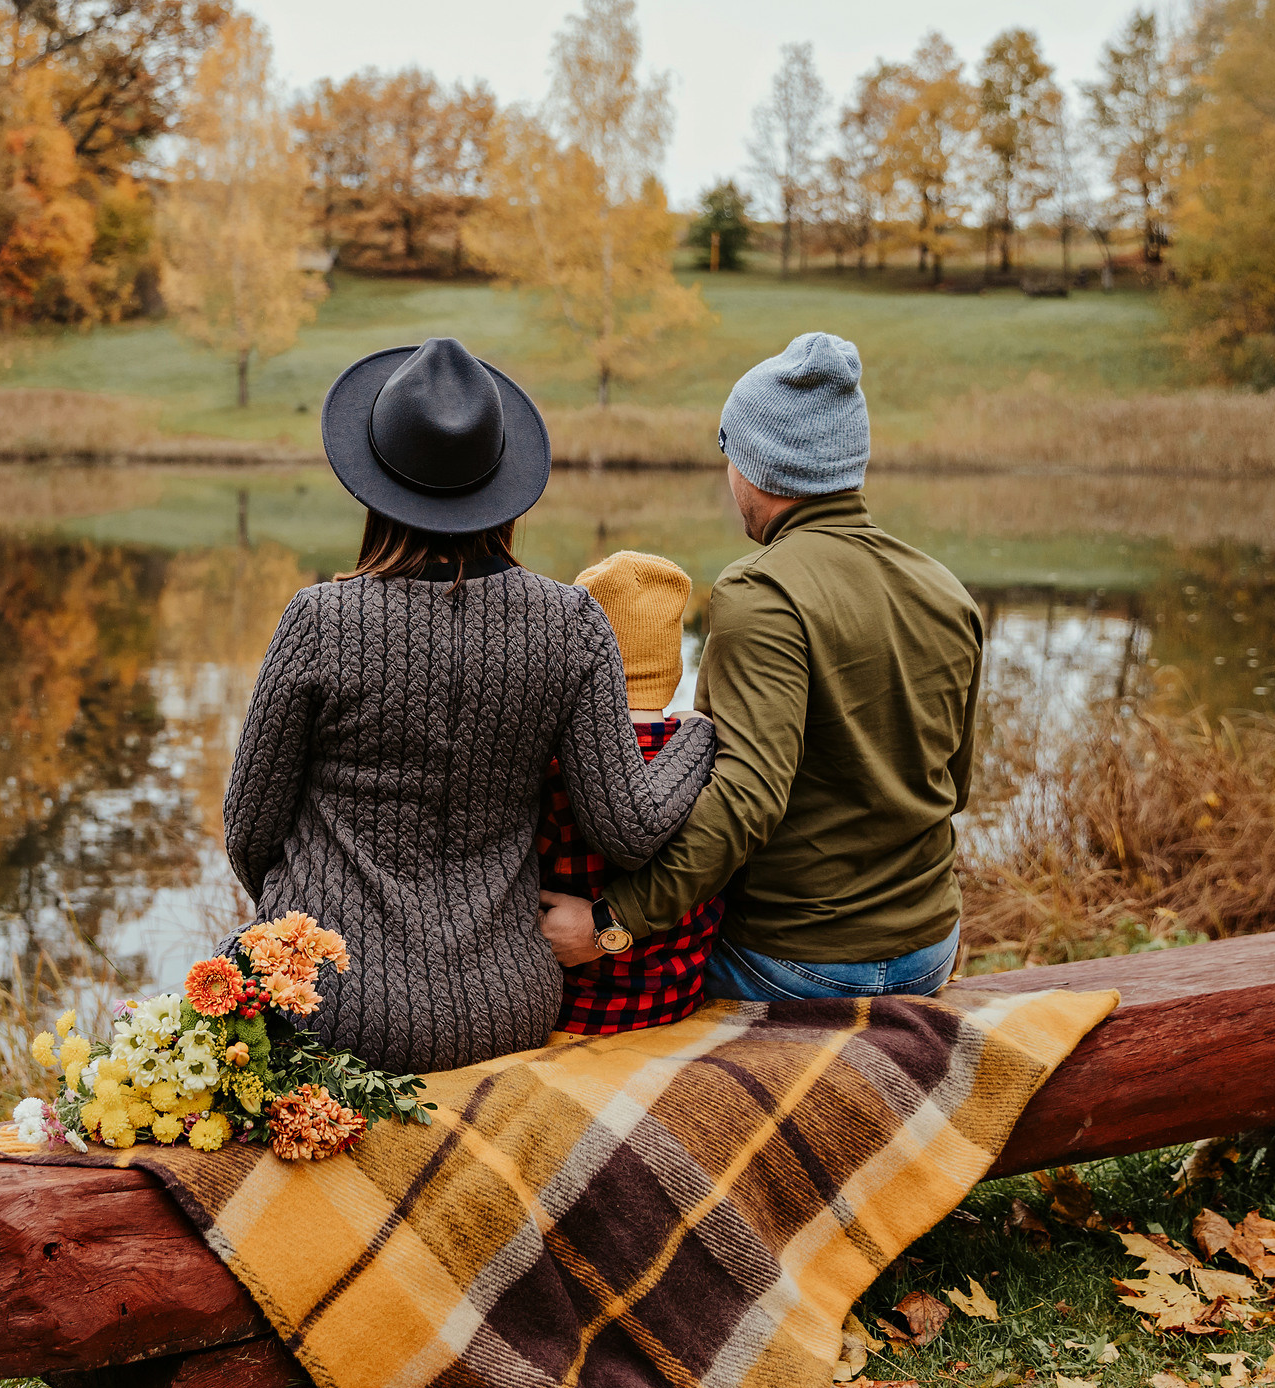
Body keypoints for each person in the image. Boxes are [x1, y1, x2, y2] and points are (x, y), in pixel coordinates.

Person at [223, 337, 716, 1074]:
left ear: (374, 483)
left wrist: (324, 919)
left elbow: (249, 832)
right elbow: (630, 827)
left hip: (328, 1004)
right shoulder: (571, 623)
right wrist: (701, 732)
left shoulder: (319, 619)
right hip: (506, 1006)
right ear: (501, 483)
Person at [539, 332, 984, 1004]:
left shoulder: (762, 592)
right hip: (931, 949)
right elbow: (954, 783)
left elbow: (745, 798)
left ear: (752, 462)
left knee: (607, 986)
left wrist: (608, 923)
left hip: (798, 964)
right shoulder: (945, 588)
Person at [535, 551, 725, 1037]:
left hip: (576, 1014)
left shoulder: (553, 767)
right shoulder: (715, 764)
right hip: (677, 1002)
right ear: (672, 667)